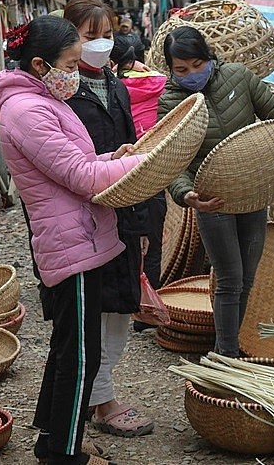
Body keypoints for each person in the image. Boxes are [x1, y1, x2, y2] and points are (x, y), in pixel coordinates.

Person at [0, 15, 146, 465]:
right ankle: (65, 454)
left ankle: (53, 439)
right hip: (70, 242)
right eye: (71, 62)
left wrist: (112, 158)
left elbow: (77, 161)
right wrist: (143, 164)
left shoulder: (39, 100)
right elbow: (80, 175)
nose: (76, 71)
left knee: (68, 350)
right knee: (79, 356)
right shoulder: (28, 110)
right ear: (40, 65)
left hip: (80, 235)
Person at [158, 26, 274, 357]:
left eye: (197, 64)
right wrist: (187, 195)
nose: (192, 75)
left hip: (254, 191)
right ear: (170, 69)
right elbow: (173, 163)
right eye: (181, 69)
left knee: (247, 276)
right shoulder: (172, 102)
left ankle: (231, 347)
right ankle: (226, 354)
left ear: (209, 56)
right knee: (229, 278)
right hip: (212, 199)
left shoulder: (239, 77)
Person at [62, 0, 155, 439]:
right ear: (69, 39)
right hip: (83, 216)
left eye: (107, 35)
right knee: (90, 312)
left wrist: (139, 220)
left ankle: (102, 395)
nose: (100, 44)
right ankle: (96, 401)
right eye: (88, 37)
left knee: (121, 305)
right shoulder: (61, 92)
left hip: (123, 210)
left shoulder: (116, 85)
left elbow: (133, 149)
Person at [110, 34, 168, 333]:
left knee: (124, 238)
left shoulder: (112, 89)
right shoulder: (159, 83)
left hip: (119, 167)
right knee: (153, 241)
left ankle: (129, 301)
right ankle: (147, 308)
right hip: (154, 167)